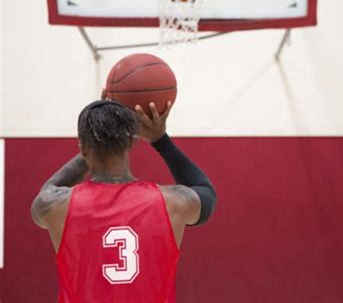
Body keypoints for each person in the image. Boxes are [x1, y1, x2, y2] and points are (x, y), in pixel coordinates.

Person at [30, 98, 216, 303]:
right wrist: (160, 139)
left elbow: (47, 191)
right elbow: (205, 190)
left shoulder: (58, 205)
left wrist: (94, 138)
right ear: (130, 142)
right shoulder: (171, 201)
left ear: (83, 149)